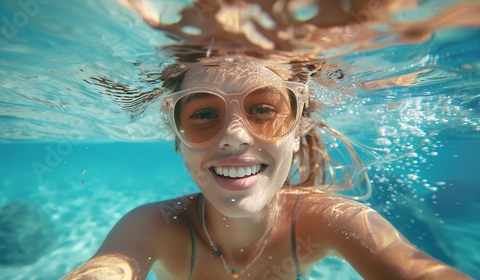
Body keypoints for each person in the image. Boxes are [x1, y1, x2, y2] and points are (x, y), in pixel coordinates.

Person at [63, 54, 472, 280]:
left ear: (297, 131)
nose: (235, 136)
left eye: (263, 110)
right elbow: (105, 271)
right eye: (203, 114)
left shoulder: (327, 220)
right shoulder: (153, 226)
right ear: (177, 140)